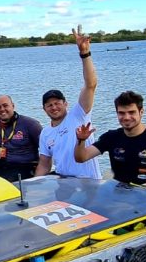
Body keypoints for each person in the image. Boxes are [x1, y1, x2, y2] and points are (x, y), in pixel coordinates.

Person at [75, 91, 146, 193]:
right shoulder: (111, 137)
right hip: (119, 197)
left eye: (131, 112)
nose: (126, 117)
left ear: (141, 112)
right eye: (121, 113)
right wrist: (81, 140)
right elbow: (81, 157)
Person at [35, 25, 102, 179]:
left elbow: (91, 85)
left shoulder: (78, 116)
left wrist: (84, 53)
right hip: (63, 183)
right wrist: (34, 184)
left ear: (65, 103)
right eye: (49, 105)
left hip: (88, 182)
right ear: (44, 109)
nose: (54, 107)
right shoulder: (45, 133)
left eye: (57, 103)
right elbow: (45, 164)